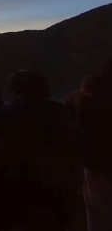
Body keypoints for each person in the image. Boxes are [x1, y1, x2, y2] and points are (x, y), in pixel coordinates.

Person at [0, 70, 83, 231]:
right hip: (55, 191)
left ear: (14, 90)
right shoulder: (62, 113)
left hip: (14, 191)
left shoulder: (0, 114)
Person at [64, 57, 112, 231]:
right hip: (96, 162)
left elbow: (67, 128)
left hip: (94, 162)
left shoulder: (78, 97)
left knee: (98, 213)